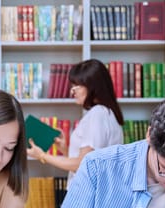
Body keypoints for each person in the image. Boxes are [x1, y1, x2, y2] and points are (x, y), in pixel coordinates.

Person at [27, 58, 124, 188]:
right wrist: (65, 150)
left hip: (87, 193)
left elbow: (82, 165)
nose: (73, 91)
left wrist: (42, 155)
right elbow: (92, 163)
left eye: (76, 86)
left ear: (92, 86)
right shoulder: (108, 113)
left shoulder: (97, 114)